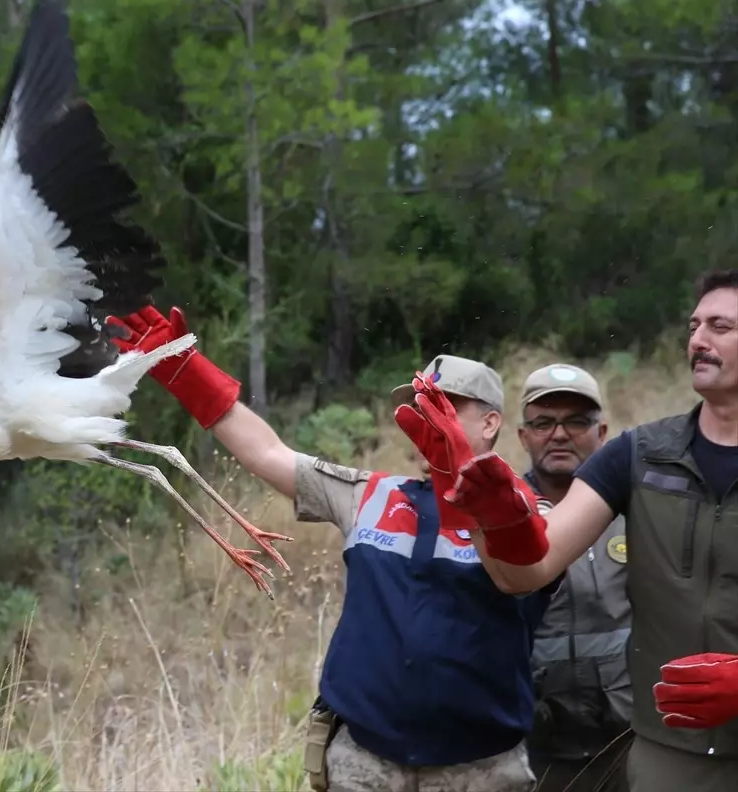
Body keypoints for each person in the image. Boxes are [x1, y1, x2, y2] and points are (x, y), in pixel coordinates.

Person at [107, 305, 555, 792]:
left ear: (490, 423)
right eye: (422, 405)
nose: (429, 417)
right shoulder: (372, 493)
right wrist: (184, 369)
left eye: (447, 405)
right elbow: (269, 454)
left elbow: (530, 562)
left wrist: (466, 479)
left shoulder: (527, 513)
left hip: (480, 769)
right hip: (363, 761)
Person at [398, 268, 738, 792]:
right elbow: (527, 570)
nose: (698, 339)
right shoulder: (639, 456)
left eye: (720, 326)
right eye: (694, 325)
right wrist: (489, 512)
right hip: (668, 758)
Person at [517, 364, 633, 791]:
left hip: (629, 745)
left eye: (576, 421)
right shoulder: (500, 517)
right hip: (534, 748)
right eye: (544, 422)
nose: (560, 434)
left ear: (602, 432)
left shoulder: (639, 510)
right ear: (523, 436)